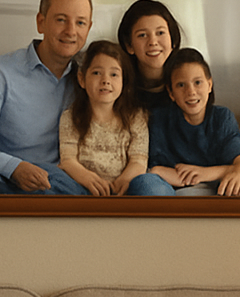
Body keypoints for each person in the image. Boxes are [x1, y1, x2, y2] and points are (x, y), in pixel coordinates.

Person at [0, 0, 93, 194]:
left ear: (89, 28)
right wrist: (14, 168)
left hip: (61, 185)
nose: (71, 31)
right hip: (6, 183)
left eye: (80, 23)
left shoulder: (91, 80)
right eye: (61, 20)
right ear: (41, 22)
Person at [57, 41, 172, 196]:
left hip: (126, 187)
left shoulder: (135, 117)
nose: (106, 80)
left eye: (114, 74)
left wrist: (124, 180)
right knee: (49, 175)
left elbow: (138, 159)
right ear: (82, 78)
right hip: (82, 186)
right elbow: (68, 160)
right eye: (97, 73)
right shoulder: (71, 117)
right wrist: (88, 179)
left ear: (123, 81)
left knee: (151, 184)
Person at [147, 48, 240, 197]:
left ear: (209, 85)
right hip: (175, 189)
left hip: (218, 186)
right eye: (181, 85)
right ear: (171, 92)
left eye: (197, 82)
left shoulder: (221, 117)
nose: (191, 92)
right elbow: (155, 169)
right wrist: (227, 169)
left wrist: (206, 173)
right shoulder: (160, 119)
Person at [116, 0, 182, 111]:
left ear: (173, 39)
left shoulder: (187, 83)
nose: (153, 42)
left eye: (160, 33)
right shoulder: (119, 88)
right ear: (129, 45)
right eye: (142, 35)